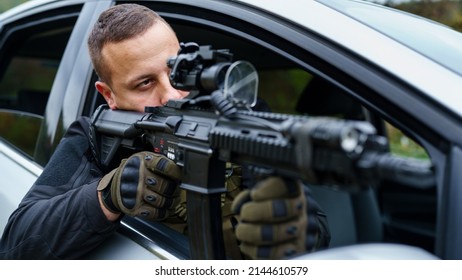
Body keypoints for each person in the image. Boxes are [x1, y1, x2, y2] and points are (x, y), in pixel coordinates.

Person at [0, 3, 329, 260]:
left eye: (174, 72)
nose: (171, 94)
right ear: (108, 95)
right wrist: (108, 195)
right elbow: (15, 248)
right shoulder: (93, 137)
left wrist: (288, 227)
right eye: (144, 83)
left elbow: (314, 235)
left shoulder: (241, 122)